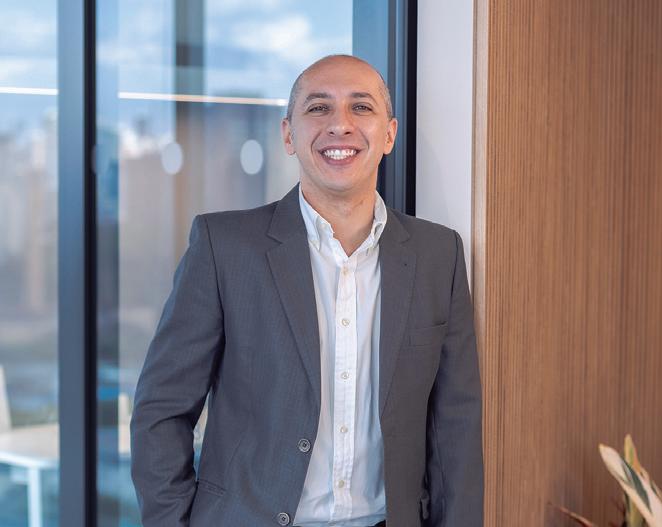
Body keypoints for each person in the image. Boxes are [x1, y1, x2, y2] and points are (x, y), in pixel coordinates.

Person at [130, 54, 483, 527]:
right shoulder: (224, 247)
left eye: (361, 107)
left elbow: (456, 426)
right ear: (288, 135)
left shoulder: (438, 254)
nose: (340, 124)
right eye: (318, 108)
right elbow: (162, 411)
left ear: (389, 134)